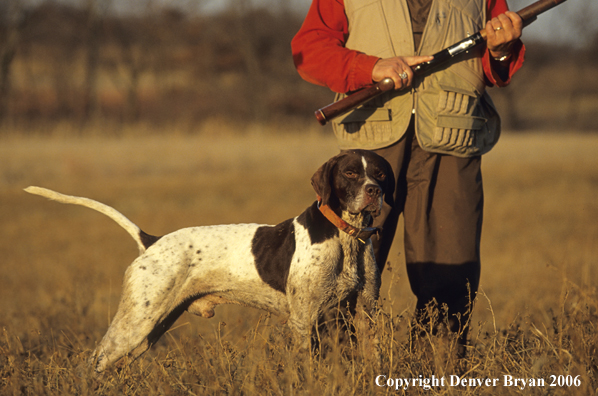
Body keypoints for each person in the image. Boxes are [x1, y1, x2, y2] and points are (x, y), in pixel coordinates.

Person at [291, 0, 525, 353]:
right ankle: (334, 376)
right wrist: (369, 67)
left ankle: (436, 376)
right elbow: (308, 51)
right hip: (368, 142)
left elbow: (496, 67)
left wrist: (503, 49)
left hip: (453, 140)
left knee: (450, 272)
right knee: (342, 272)